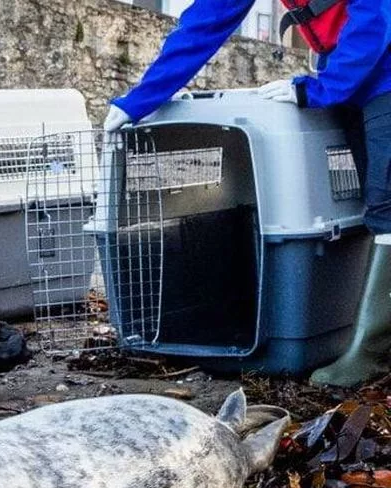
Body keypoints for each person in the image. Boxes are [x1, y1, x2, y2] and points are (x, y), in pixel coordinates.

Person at [105, 0, 391, 387]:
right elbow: (206, 21)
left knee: (387, 207)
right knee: (375, 208)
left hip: (379, 65)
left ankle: (373, 354)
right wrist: (139, 100)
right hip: (356, 73)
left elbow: (375, 13)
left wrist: (325, 87)